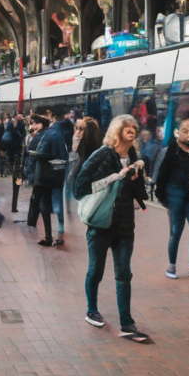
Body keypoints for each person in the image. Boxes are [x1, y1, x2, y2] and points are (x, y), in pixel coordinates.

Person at [74, 114, 151, 343]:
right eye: (128, 128)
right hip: (101, 223)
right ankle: (91, 310)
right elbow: (80, 187)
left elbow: (135, 188)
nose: (132, 131)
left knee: (124, 273)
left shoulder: (133, 155)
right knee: (95, 270)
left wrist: (138, 174)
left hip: (125, 222)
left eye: (134, 129)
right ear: (117, 130)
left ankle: (127, 322)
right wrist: (113, 177)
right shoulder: (103, 154)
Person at [151, 116, 189, 279]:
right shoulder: (169, 151)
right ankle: (172, 265)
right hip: (175, 194)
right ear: (177, 133)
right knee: (176, 231)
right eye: (185, 131)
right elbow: (158, 175)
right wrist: (164, 200)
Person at [28, 115, 70, 246]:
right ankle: (60, 233)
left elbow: (40, 153)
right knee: (58, 204)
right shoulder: (57, 135)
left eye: (34, 123)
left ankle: (48, 236)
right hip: (59, 173)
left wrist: (32, 155)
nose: (32, 127)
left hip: (45, 175)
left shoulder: (44, 136)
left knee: (45, 204)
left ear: (40, 125)